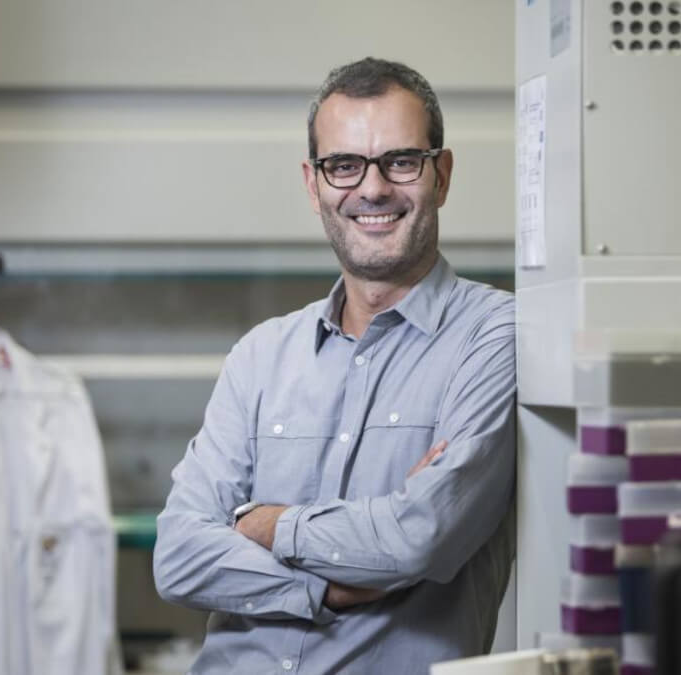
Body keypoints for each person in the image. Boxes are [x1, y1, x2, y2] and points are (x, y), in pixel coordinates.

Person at [153, 57, 516, 674]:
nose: (372, 189)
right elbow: (178, 556)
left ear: (443, 174)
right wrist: (322, 587)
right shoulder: (261, 355)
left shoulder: (495, 336)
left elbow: (417, 537)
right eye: (343, 165)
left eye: (401, 161)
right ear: (313, 182)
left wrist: (266, 525)